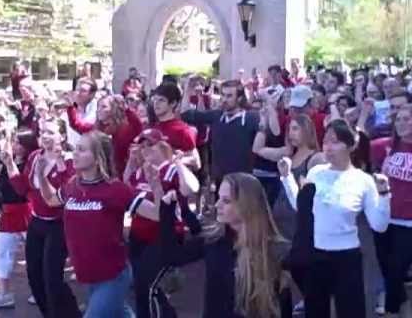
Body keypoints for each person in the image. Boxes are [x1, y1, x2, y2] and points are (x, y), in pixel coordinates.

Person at [36, 131, 164, 318]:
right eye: (76, 149)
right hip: (88, 275)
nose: (75, 154)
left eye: (82, 150)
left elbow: (156, 213)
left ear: (97, 158)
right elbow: (51, 200)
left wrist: (157, 188)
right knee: (119, 312)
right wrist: (41, 176)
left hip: (113, 275)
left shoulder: (115, 189)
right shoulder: (73, 185)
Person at [280, 119, 391, 318]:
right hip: (316, 255)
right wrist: (287, 177)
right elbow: (302, 206)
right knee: (315, 311)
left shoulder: (363, 180)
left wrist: (384, 195)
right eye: (325, 141)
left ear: (350, 146)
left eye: (335, 142)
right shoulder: (316, 172)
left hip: (347, 257)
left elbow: (379, 225)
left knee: (351, 311)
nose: (328, 147)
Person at [159, 173, 291, 318]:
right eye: (219, 198)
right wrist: (166, 210)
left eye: (226, 201)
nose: (217, 205)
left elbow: (283, 306)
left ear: (247, 205)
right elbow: (173, 256)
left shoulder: (275, 250)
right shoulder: (215, 240)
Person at [4, 119, 81, 318]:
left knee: (52, 279)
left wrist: (52, 172)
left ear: (62, 136)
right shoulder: (34, 157)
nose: (45, 136)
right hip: (37, 222)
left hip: (59, 224)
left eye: (50, 132)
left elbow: (62, 197)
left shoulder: (70, 161)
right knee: (34, 277)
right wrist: (10, 164)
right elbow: (23, 188)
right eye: (43, 132)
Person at [124, 128, 199, 318]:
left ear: (163, 146)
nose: (145, 149)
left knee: (145, 286)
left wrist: (178, 162)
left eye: (150, 145)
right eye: (142, 146)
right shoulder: (141, 171)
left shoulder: (171, 169)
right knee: (142, 285)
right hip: (139, 235)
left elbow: (191, 188)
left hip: (164, 237)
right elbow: (127, 191)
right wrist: (131, 165)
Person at [0, 128, 38, 310]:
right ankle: (4, 294)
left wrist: (9, 163)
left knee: (35, 254)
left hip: (26, 211)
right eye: (13, 141)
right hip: (8, 213)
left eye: (18, 142)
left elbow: (21, 188)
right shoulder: (10, 159)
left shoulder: (32, 162)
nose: (14, 145)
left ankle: (40, 291)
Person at [181, 80, 260, 194]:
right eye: (222, 95)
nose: (224, 99)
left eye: (229, 96)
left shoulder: (251, 118)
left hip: (244, 183)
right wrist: (187, 88)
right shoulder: (217, 116)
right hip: (221, 183)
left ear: (239, 98)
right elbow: (185, 114)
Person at [371, 104, 412, 317]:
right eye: (399, 120)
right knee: (385, 265)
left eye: (408, 119)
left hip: (408, 222)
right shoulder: (385, 146)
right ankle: (398, 296)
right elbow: (356, 144)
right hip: (384, 216)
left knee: (396, 268)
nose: (402, 123)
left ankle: (391, 310)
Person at [67, 94, 143, 177]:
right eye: (98, 107)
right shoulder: (95, 129)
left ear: (114, 109)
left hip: (123, 175)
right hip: (102, 176)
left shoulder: (124, 128)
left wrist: (127, 109)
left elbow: (138, 126)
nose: (99, 110)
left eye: (104, 107)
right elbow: (76, 124)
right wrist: (71, 106)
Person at [152, 83, 200, 170]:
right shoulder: (153, 128)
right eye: (154, 99)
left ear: (173, 103)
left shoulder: (183, 130)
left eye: (161, 100)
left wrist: (176, 160)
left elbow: (196, 162)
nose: (156, 103)